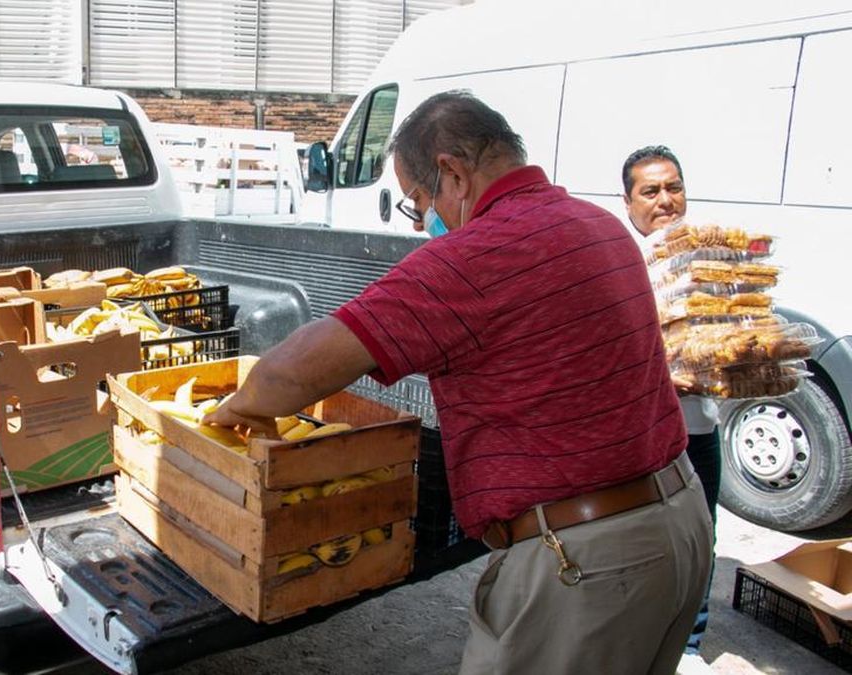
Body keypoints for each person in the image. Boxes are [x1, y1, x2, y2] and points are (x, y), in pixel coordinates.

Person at [203, 91, 712, 674]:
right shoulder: (599, 224)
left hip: (588, 564)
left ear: (452, 173)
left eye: (419, 201)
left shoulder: (472, 260)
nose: (423, 221)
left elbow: (293, 370)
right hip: (680, 524)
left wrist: (237, 407)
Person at [623, 145, 722, 674]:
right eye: (651, 191)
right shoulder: (622, 264)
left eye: (674, 187)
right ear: (629, 203)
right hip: (643, 436)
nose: (666, 200)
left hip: (700, 428)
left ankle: (688, 646)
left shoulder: (709, 258)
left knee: (702, 537)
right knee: (640, 542)